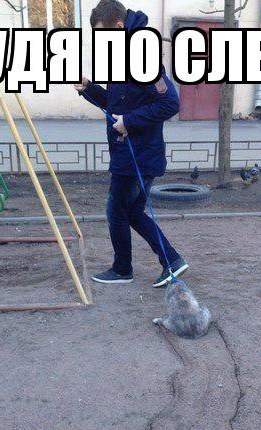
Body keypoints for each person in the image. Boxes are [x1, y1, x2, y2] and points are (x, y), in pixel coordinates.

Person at [75, 0, 188, 287]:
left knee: (116, 210)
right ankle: (172, 260)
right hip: (129, 151)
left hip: (138, 154)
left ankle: (123, 269)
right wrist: (88, 89)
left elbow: (170, 103)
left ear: (118, 26)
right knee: (132, 211)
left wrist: (129, 122)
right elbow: (115, 106)